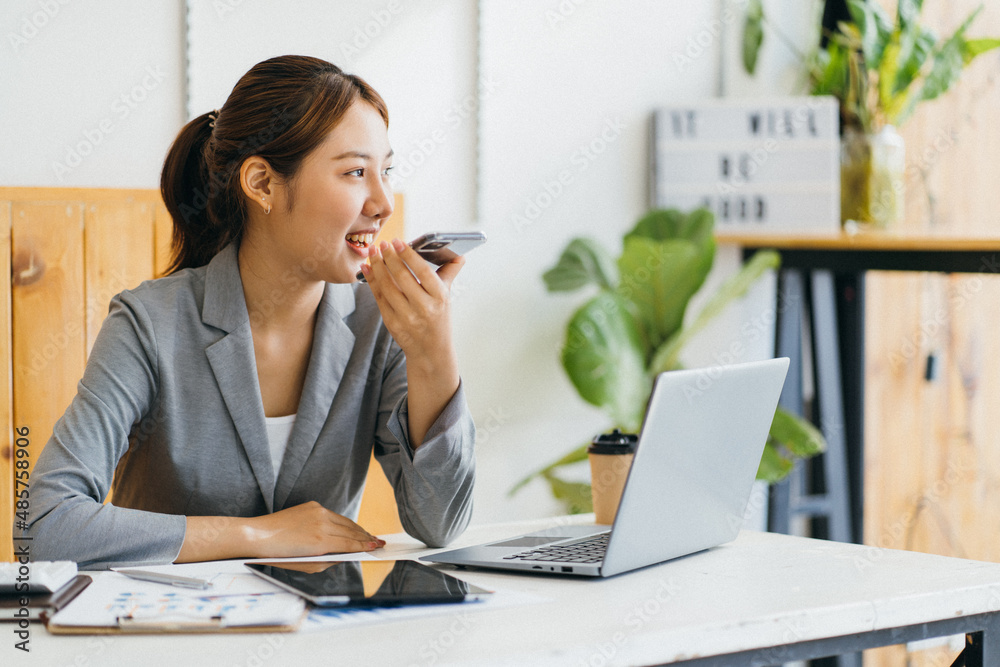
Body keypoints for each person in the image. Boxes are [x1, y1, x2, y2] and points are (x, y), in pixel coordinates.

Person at [23, 55, 475, 569]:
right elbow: (44, 528)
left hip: (322, 637)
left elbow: (440, 524)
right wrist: (258, 536)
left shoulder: (380, 322)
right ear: (261, 183)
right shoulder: (149, 323)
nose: (384, 202)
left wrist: (433, 352)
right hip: (174, 638)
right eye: (354, 172)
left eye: (385, 171)